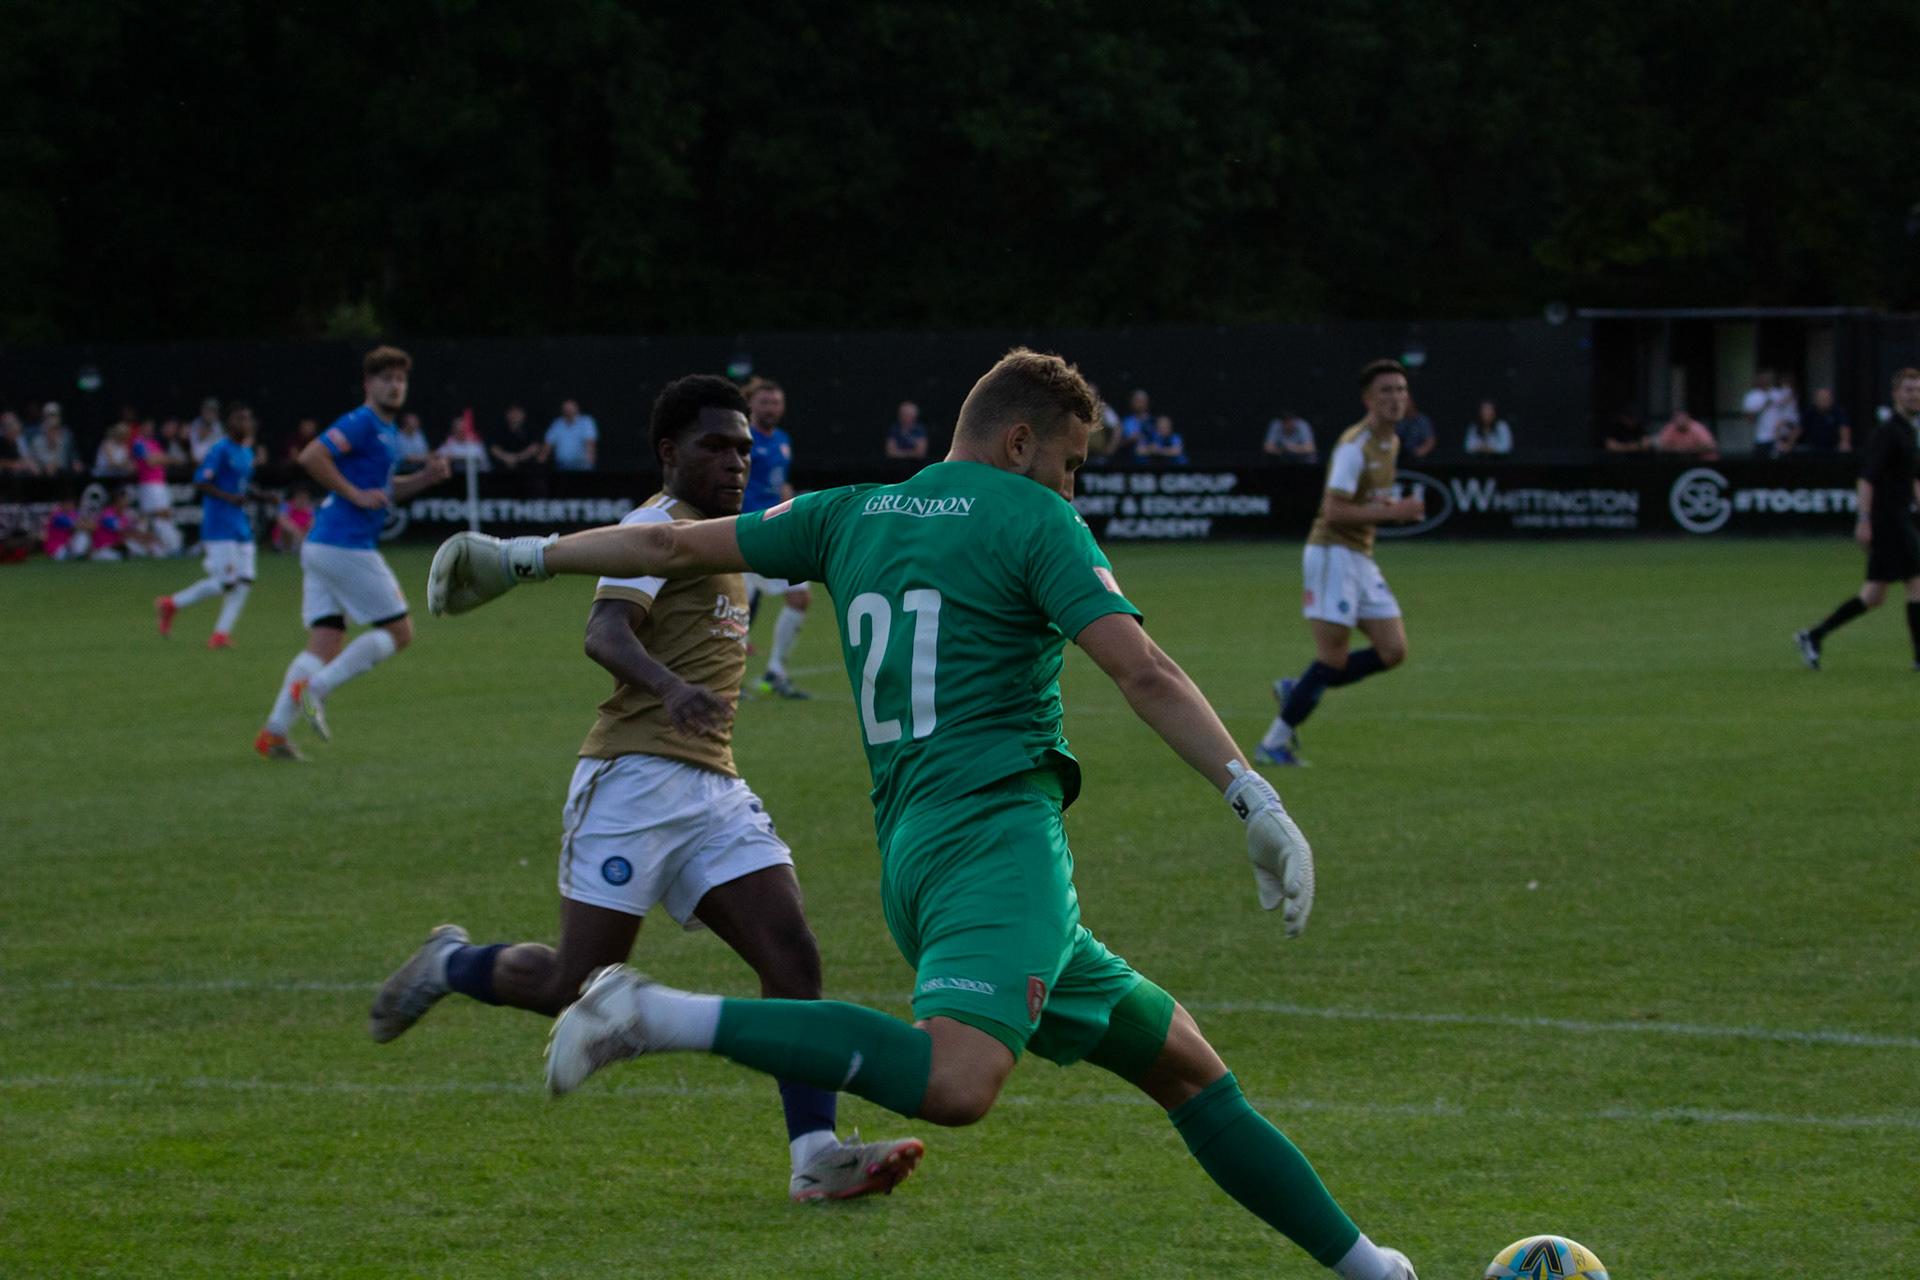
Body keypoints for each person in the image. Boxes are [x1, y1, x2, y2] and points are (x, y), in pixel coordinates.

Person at [426, 349, 1417, 1280]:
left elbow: (666, 540)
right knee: (957, 1081)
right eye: (1069, 465)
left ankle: (1373, 1265)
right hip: (998, 841)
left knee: (1189, 1069)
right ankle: (651, 1014)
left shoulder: (849, 510)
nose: (1072, 489)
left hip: (918, 855)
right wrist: (1254, 793)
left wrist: (518, 556)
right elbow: (1140, 666)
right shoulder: (1035, 520)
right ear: (1021, 443)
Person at [371, 375, 923, 1202]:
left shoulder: (724, 535)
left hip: (713, 789)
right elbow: (604, 631)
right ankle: (452, 964)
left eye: (744, 446)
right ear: (671, 453)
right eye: (716, 445)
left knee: (793, 961)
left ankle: (816, 1156)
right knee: (575, 984)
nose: (737, 459)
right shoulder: (651, 527)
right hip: (631, 778)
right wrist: (670, 688)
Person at [254, 346, 451, 761]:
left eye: (400, 379)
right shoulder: (361, 422)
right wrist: (353, 493)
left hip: (325, 545)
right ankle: (317, 690)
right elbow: (312, 456)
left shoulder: (388, 433)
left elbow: (384, 491)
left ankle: (273, 733)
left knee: (324, 641)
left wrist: (423, 478)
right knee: (401, 633)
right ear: (369, 385)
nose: (395, 386)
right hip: (344, 545)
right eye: (386, 379)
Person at [1256, 360, 1423, 767]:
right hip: (1332, 553)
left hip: (1359, 557)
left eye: (1400, 390)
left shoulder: (1391, 443)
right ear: (1368, 399)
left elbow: (1360, 501)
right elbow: (1332, 512)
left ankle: (1297, 689)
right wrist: (1394, 511)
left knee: (1393, 650)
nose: (1395, 398)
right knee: (1331, 658)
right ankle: (1273, 743)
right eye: (1385, 391)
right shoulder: (1356, 445)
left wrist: (1384, 506)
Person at [1794, 368, 1920, 672]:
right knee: (1917, 582)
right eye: (1909, 390)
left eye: (1918, 390)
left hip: (1900, 516)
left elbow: (1913, 478)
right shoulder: (1888, 431)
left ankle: (1813, 636)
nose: (1914, 395)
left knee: (1873, 596)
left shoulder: (1909, 431)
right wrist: (1863, 520)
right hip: (1888, 519)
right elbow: (1866, 478)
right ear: (1896, 395)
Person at [157, 404, 262, 649]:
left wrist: (264, 496)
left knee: (245, 580)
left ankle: (220, 635)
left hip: (239, 523)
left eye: (248, 419)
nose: (246, 423)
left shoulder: (246, 452)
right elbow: (201, 481)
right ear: (231, 425)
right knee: (227, 583)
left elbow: (243, 487)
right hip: (219, 524)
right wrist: (229, 497)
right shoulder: (221, 449)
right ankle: (172, 604)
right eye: (240, 418)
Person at [740, 379, 811, 698]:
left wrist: (792, 512)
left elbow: (781, 485)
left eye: (776, 402)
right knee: (734, 611)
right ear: (751, 405)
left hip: (779, 534)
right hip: (746, 533)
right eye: (765, 402)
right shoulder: (741, 439)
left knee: (799, 597)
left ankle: (776, 673)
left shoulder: (782, 439)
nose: (771, 408)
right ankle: (718, 681)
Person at [130, 417, 182, 557]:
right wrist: (161, 458)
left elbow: (169, 459)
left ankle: (171, 546)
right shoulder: (138, 443)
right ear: (142, 427)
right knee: (153, 516)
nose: (150, 429)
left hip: (160, 483)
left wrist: (160, 458)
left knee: (166, 514)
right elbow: (151, 461)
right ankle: (156, 548)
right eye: (147, 426)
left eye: (151, 427)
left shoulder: (153, 443)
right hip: (148, 484)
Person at [1742, 368, 1790, 458]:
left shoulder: (1778, 393)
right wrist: (1762, 407)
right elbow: (1748, 419)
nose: (1766, 379)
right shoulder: (1752, 396)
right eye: (1763, 377)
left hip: (1780, 437)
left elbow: (1787, 414)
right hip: (1762, 438)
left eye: (1768, 377)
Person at [488, 404, 547, 471]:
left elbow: (535, 447)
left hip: (527, 468)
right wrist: (506, 458)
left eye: (517, 413)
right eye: (512, 413)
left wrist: (517, 458)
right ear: (507, 415)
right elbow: (493, 448)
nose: (514, 416)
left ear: (523, 414)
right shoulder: (499, 428)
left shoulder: (532, 428)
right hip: (502, 467)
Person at [546, 399, 599, 471]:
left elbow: (590, 443)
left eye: (571, 408)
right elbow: (548, 444)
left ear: (577, 408)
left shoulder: (586, 421)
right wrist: (540, 462)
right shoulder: (557, 423)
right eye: (566, 408)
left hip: (581, 464)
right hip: (562, 464)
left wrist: (589, 463)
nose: (569, 410)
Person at [28, 405, 82, 475]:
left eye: (55, 415)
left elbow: (72, 455)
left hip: (63, 473)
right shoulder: (36, 437)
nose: (53, 419)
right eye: (50, 416)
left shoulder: (66, 435)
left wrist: (76, 462)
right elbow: (31, 458)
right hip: (41, 473)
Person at [1801, 387, 1852, 454]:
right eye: (1821, 399)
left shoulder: (1838, 412)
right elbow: (1799, 428)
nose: (1824, 401)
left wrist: (1845, 442)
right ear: (1816, 400)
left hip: (1833, 448)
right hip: (1813, 448)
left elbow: (1844, 428)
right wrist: (1788, 444)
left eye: (1826, 399)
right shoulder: (1810, 412)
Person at [273, 486, 316, 553]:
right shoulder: (286, 507)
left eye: (305, 498)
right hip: (285, 539)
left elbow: (312, 526)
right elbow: (282, 521)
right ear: (294, 497)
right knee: (286, 528)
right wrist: (299, 534)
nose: (302, 500)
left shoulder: (310, 511)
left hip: (301, 539)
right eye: (300, 497)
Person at [186, 398, 223, 464]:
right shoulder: (195, 424)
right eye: (206, 409)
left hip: (210, 466)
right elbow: (194, 452)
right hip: (192, 465)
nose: (208, 413)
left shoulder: (220, 429)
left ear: (217, 413)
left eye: (212, 410)